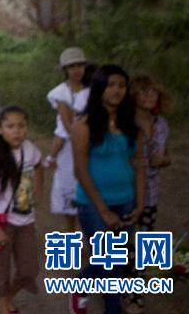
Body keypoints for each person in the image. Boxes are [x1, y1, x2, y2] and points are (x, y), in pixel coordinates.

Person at [69, 65, 145, 314]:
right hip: (93, 203)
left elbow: (139, 164)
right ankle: (80, 286)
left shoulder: (131, 125)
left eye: (121, 86)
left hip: (126, 200)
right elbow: (80, 170)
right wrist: (103, 210)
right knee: (107, 257)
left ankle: (113, 308)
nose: (117, 90)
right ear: (99, 88)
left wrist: (140, 203)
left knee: (117, 260)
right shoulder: (83, 125)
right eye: (111, 85)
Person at [0, 106, 43, 314]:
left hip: (26, 220)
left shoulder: (30, 149)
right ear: (0, 129)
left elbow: (39, 166)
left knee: (29, 269)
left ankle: (9, 295)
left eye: (21, 126)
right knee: (1, 268)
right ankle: (3, 304)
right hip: (2, 220)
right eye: (10, 126)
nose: (17, 131)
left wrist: (38, 190)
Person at [126, 79, 170, 314]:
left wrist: (163, 160)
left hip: (152, 192)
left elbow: (166, 155)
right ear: (133, 95)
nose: (149, 96)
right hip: (125, 191)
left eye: (153, 91)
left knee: (143, 244)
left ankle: (136, 295)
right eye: (143, 91)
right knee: (123, 244)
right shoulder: (124, 123)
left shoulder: (161, 123)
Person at [44, 47, 89, 234]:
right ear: (65, 70)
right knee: (70, 187)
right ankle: (71, 232)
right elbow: (66, 123)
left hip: (89, 143)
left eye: (80, 65)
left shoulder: (91, 90)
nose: (77, 70)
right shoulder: (61, 93)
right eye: (72, 66)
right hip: (70, 145)